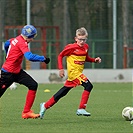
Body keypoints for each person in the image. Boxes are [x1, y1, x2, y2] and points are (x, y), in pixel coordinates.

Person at [39, 27, 101, 119]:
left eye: (84, 39)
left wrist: (94, 60)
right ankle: (81, 108)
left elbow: (85, 58)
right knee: (89, 86)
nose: (82, 41)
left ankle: (45, 105)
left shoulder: (86, 47)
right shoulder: (71, 48)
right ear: (76, 39)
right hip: (74, 73)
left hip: (77, 74)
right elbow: (60, 55)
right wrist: (61, 69)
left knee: (63, 92)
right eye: (80, 39)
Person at [0, 25, 50, 119]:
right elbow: (29, 57)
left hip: (17, 72)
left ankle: (26, 112)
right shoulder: (22, 43)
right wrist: (43, 59)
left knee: (33, 85)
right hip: (7, 73)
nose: (33, 40)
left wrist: (8, 54)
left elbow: (6, 44)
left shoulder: (14, 39)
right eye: (32, 37)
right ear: (28, 36)